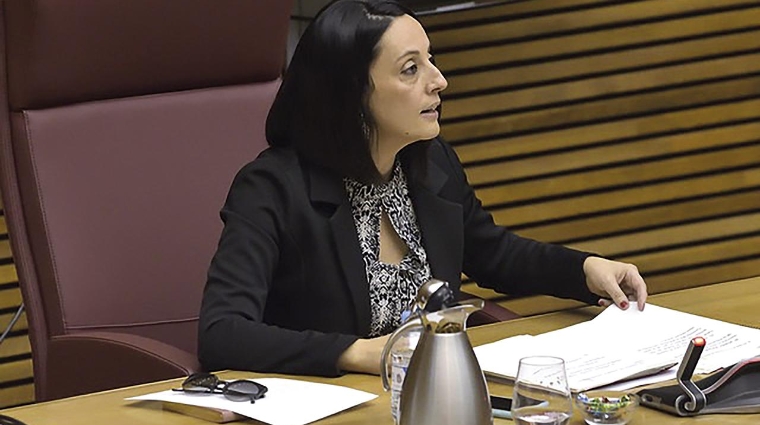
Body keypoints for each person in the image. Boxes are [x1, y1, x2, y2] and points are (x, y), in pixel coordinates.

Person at [198, 0, 647, 377]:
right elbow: (222, 333)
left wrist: (585, 270)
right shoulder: (273, 189)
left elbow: (494, 254)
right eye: (411, 69)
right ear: (351, 94)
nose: (438, 80)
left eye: (430, 60)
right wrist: (358, 352)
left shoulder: (429, 163)